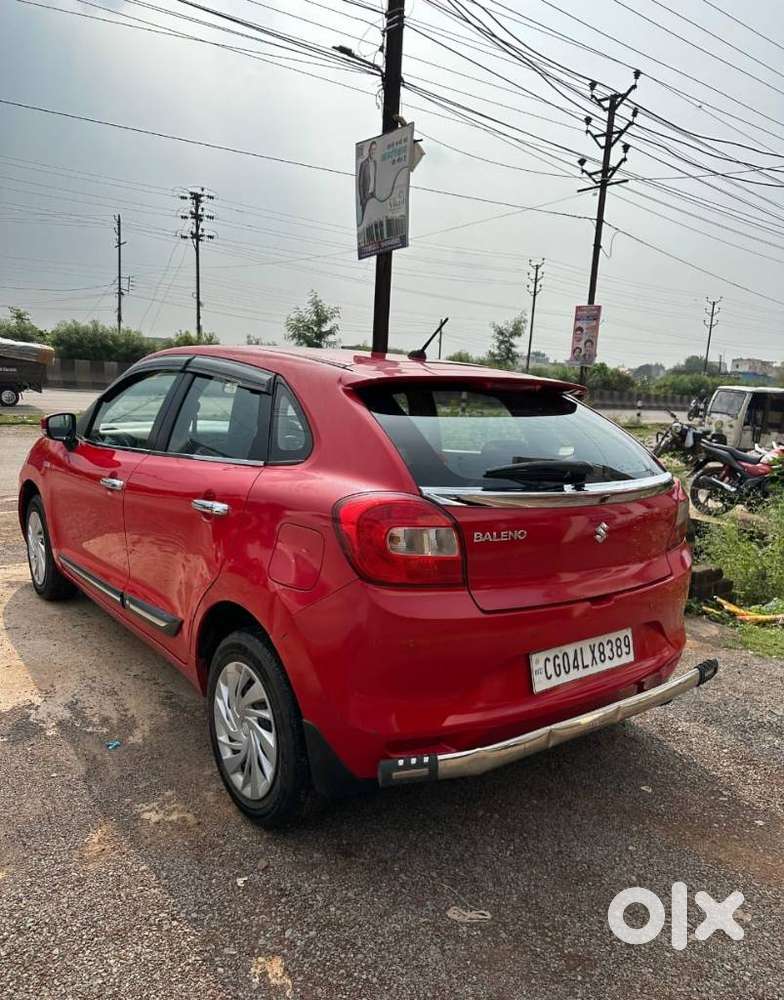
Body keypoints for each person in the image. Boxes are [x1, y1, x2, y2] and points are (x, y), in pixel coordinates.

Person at [357, 141, 377, 224]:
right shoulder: (364, 164)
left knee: (373, 221)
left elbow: (374, 179)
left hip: (373, 195)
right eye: (372, 149)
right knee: (365, 222)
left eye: (375, 149)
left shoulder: (375, 163)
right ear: (369, 150)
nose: (373, 151)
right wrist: (362, 199)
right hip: (366, 196)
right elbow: (360, 183)